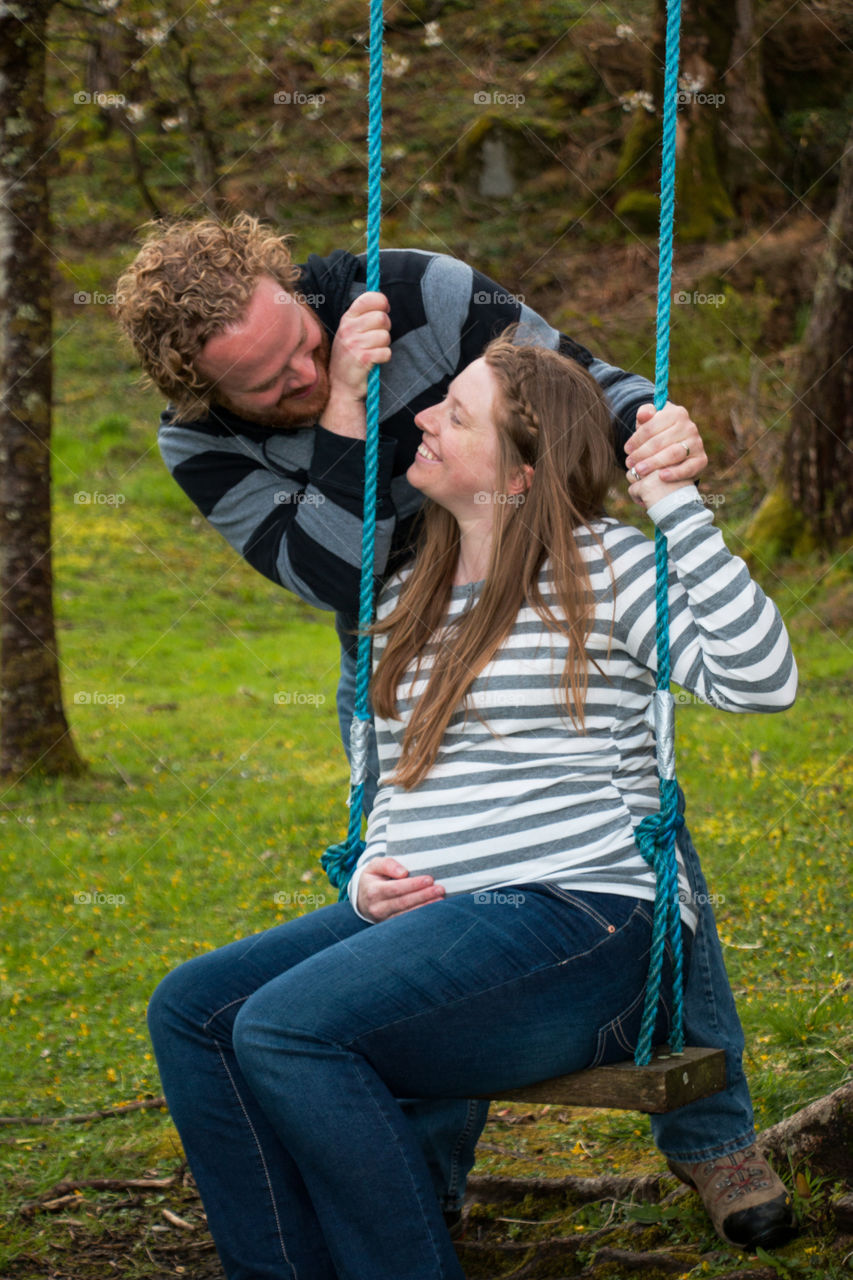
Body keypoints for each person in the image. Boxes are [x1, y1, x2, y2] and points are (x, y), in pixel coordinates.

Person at [116, 215, 793, 1249]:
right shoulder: (209, 451)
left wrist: (660, 452)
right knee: (198, 1009)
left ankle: (708, 1134)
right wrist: (341, 403)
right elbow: (338, 582)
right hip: (415, 607)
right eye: (272, 384)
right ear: (209, 394)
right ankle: (363, 1215)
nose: (302, 371)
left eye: (305, 339)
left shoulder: (423, 302)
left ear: (293, 283)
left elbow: (564, 384)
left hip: (565, 881)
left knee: (622, 797)